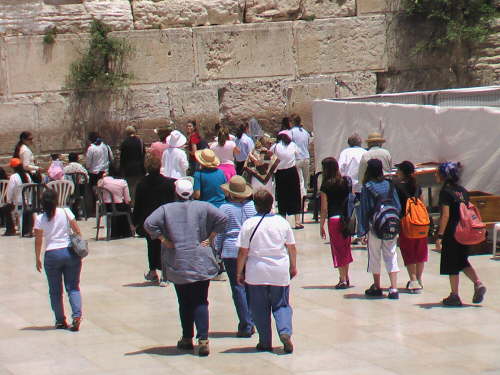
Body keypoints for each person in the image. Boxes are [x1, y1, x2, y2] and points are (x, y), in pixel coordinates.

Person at [144, 178, 228, 357]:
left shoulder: (166, 209)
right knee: (201, 300)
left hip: (179, 261)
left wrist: (164, 240)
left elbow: (149, 223)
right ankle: (204, 340)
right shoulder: (203, 206)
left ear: (176, 192)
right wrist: (211, 236)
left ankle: (187, 338)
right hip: (201, 260)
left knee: (184, 302)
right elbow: (222, 218)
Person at [236, 189, 297, 353]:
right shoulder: (282, 222)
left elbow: (243, 251)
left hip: (256, 272)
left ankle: (264, 342)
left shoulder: (249, 224)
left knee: (259, 308)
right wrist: (293, 266)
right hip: (279, 270)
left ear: (256, 206)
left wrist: (239, 272)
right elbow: (291, 247)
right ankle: (284, 331)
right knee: (281, 304)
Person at [435, 162, 486, 306]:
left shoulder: (446, 192)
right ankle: (478, 283)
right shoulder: (463, 191)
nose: (435, 175)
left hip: (453, 232)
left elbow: (445, 215)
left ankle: (455, 294)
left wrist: (439, 236)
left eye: (438, 173)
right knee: (462, 261)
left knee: (452, 263)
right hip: (466, 231)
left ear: (445, 176)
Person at [34, 189, 83, 331]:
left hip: (52, 254)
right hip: (69, 252)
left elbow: (38, 240)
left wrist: (37, 257)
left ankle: (60, 320)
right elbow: (77, 230)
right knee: (73, 287)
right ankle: (77, 316)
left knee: (55, 291)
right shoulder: (66, 212)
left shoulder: (39, 219)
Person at [215, 176, 256, 337]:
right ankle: (252, 319)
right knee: (250, 286)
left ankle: (246, 324)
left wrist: (218, 251)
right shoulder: (252, 206)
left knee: (238, 288)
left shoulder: (224, 208)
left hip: (231, 251)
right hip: (249, 249)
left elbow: (220, 233)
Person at [358, 159, 401, 299]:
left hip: (375, 226)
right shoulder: (389, 185)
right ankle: (394, 288)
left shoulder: (368, 187)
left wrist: (362, 230)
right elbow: (398, 206)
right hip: (390, 224)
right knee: (391, 254)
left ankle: (377, 286)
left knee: (375, 255)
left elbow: (364, 209)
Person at [133, 155, 176, 286]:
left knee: (151, 245)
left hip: (148, 220)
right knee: (164, 245)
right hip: (164, 219)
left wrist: (135, 222)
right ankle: (164, 274)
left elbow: (138, 204)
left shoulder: (141, 184)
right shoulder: (169, 183)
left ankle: (153, 271)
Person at [319, 157, 353, 289]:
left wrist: (321, 224)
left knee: (337, 250)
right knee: (345, 248)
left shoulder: (325, 185)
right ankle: (346, 275)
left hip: (333, 219)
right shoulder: (345, 181)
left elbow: (324, 208)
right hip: (346, 218)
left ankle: (342, 278)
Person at [394, 161, 428, 293]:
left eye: (399, 170)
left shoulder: (397, 186)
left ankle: (413, 280)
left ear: (403, 172)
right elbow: (422, 203)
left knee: (408, 251)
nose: (397, 173)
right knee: (420, 251)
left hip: (406, 222)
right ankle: (419, 279)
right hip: (420, 221)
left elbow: (397, 205)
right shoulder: (417, 186)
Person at [270, 130, 303, 229]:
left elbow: (270, 155)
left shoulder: (275, 147)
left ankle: (283, 220)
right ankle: (297, 222)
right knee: (295, 195)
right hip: (292, 172)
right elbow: (299, 154)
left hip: (280, 173)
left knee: (281, 196)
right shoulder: (293, 145)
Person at [339, 133, 367, 244]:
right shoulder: (365, 152)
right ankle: (361, 234)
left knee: (348, 211)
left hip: (348, 186)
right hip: (362, 185)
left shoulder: (345, 152)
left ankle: (348, 233)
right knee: (361, 211)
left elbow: (341, 167)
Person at [97, 169, 133, 239]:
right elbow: (127, 200)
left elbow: (98, 186)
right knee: (126, 207)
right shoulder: (123, 182)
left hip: (105, 207)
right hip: (117, 206)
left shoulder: (104, 180)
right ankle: (126, 232)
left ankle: (116, 232)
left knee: (121, 205)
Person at [5, 158, 32, 236]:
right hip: (28, 202)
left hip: (18, 203)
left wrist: (9, 201)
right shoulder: (27, 175)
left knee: (5, 209)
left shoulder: (13, 177)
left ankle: (10, 230)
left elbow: (10, 191)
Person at [119, 125, 146, 202]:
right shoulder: (140, 141)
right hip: (139, 168)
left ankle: (132, 205)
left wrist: (121, 170)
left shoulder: (124, 143)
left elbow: (122, 158)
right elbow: (143, 154)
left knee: (130, 189)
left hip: (128, 169)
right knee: (139, 187)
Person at [290, 115, 311, 198]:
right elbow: (308, 143)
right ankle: (305, 200)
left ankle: (300, 198)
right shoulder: (306, 132)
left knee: (299, 181)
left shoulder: (291, 132)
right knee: (305, 181)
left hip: (297, 158)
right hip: (306, 157)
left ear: (292, 122)